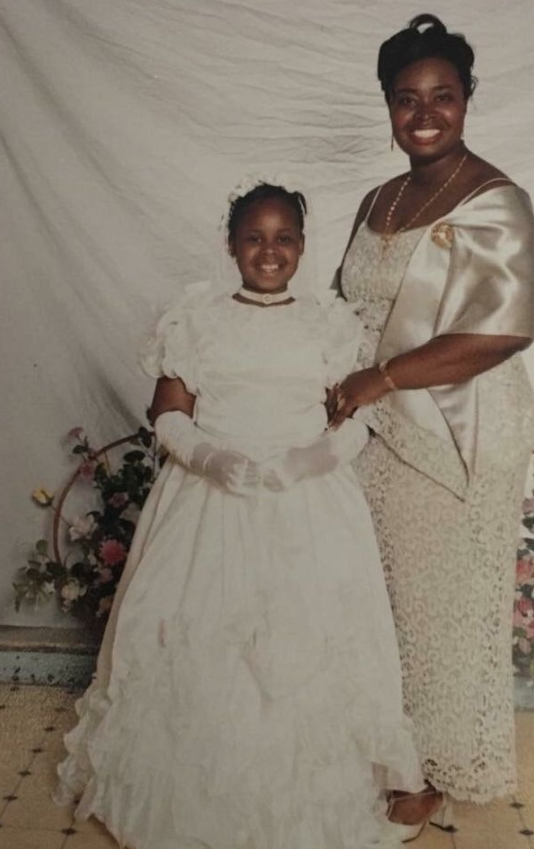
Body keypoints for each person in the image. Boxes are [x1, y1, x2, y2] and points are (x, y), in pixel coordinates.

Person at [54, 180, 428, 849]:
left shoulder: (328, 324)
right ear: (230, 244)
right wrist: (210, 457)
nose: (269, 251)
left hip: (304, 501)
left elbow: (355, 421)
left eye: (283, 237)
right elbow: (166, 411)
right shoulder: (195, 318)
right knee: (205, 635)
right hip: (208, 498)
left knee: (305, 637)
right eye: (254, 237)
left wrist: (307, 461)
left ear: (302, 247)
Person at [330, 13, 534, 825]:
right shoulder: (378, 197)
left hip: (461, 428)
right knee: (376, 601)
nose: (423, 114)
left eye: (441, 96)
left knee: (435, 607)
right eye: (404, 98)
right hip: (374, 428)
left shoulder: (497, 202)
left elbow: (502, 330)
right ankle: (384, 752)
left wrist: (377, 378)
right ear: (386, 106)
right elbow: (343, 306)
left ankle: (429, 767)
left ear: (466, 100)